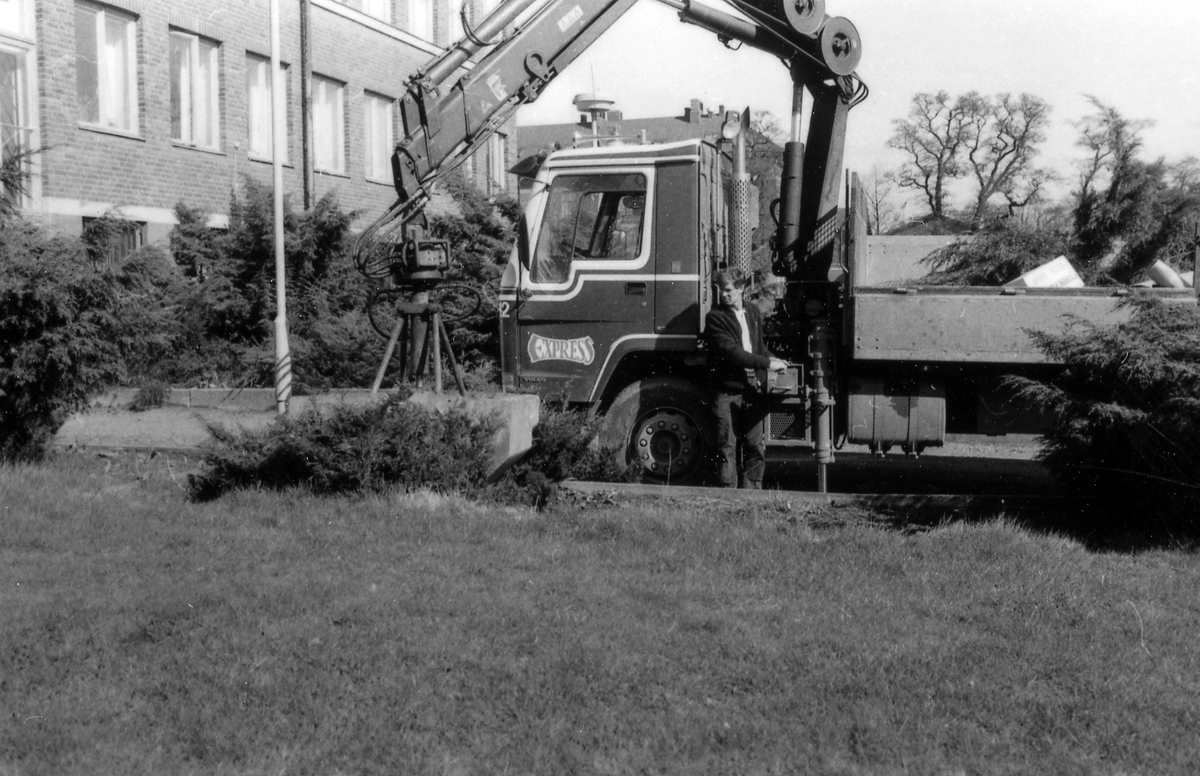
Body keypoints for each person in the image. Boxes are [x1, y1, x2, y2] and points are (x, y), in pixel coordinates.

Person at [703, 268, 788, 489]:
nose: (724, 294)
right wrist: (768, 363)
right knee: (726, 446)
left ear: (741, 289)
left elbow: (757, 348)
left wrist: (773, 358)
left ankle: (753, 495)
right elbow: (733, 352)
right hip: (726, 391)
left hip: (752, 389)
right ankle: (728, 495)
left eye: (729, 290)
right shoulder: (715, 318)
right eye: (721, 290)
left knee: (755, 445)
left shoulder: (752, 312)